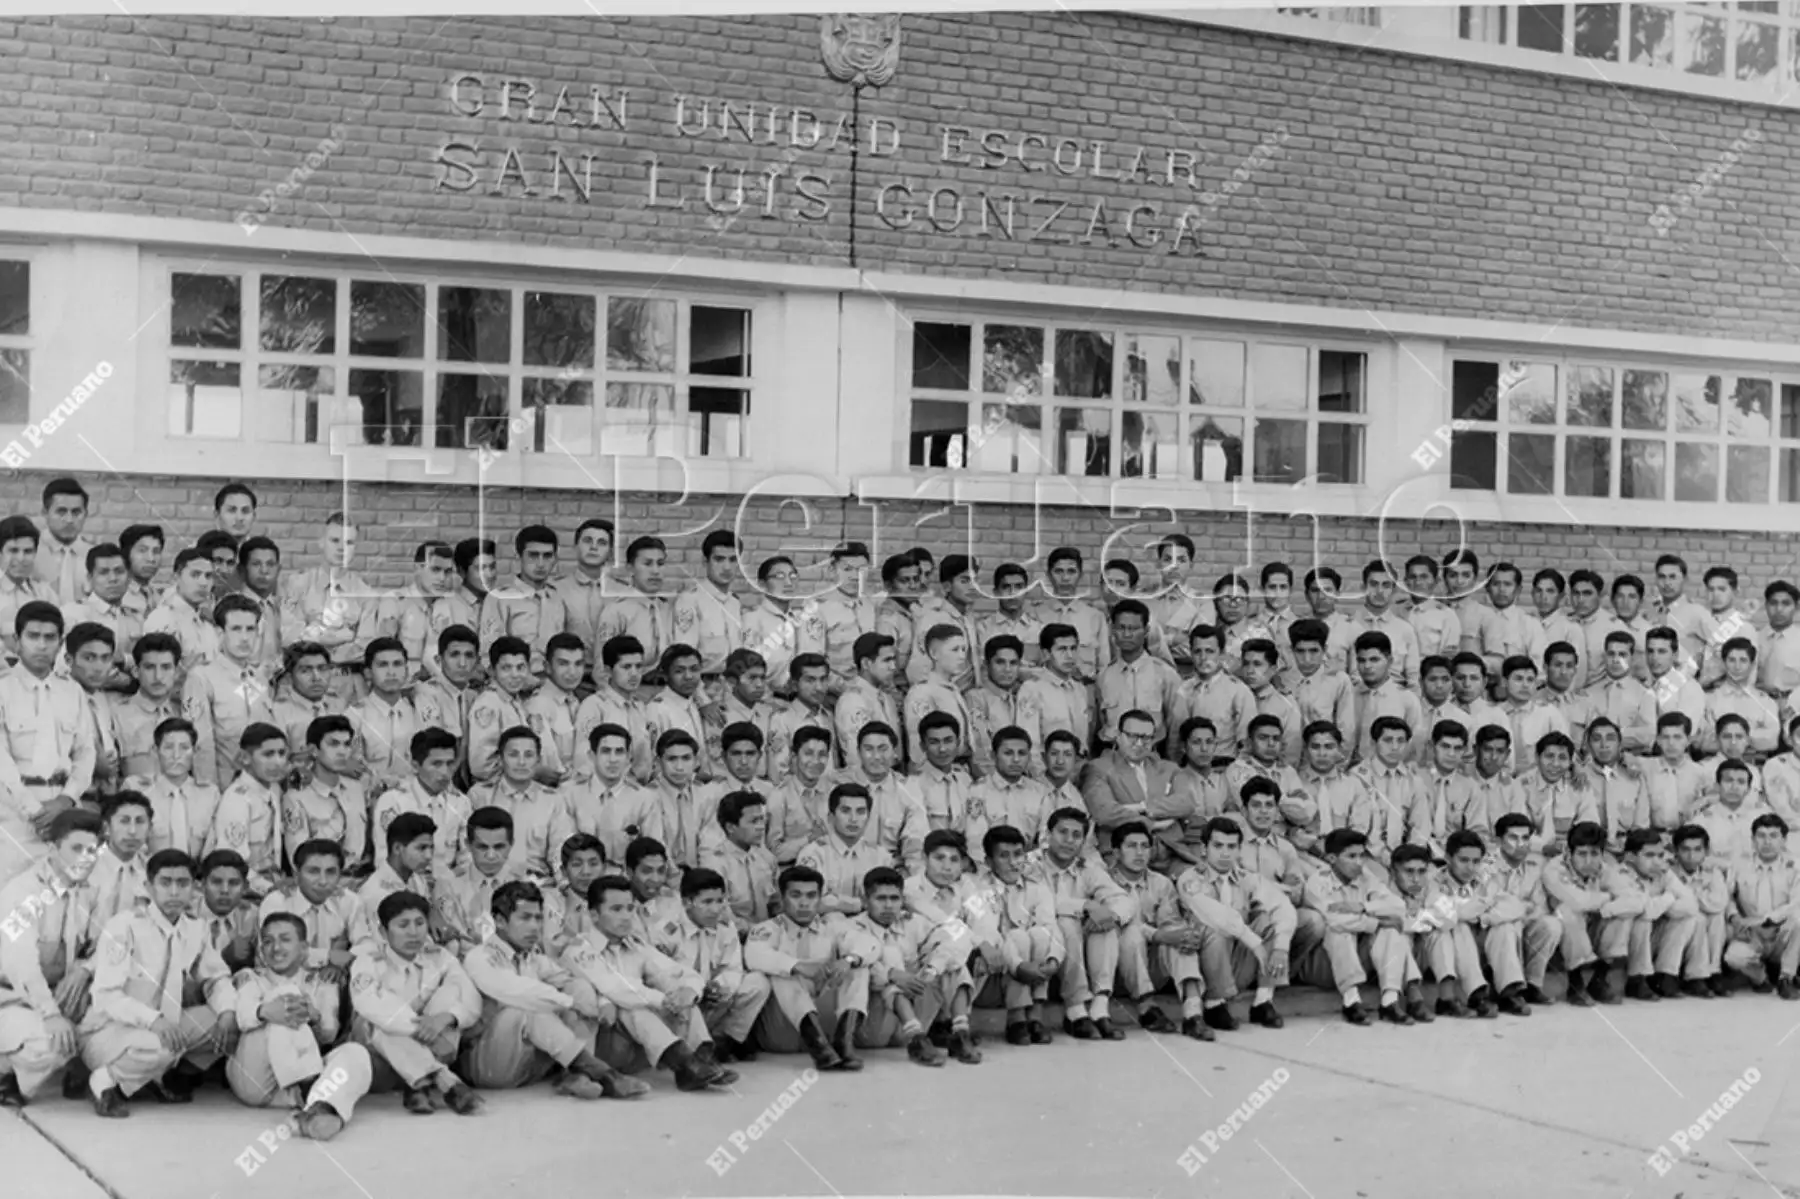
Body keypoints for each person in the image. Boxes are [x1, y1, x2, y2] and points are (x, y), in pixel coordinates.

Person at [80, 849, 239, 1117]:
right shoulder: (125, 926)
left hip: (164, 1026)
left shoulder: (194, 929)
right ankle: (103, 1081)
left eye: (183, 883)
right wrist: (154, 1020)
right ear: (148, 887)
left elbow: (216, 978)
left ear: (194, 888)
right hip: (107, 1033)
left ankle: (152, 1076)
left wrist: (227, 1011)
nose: (174, 892)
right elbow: (106, 996)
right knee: (160, 1046)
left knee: (226, 1021)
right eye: (165, 883)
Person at [459, 880, 646, 1100]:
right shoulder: (480, 957)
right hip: (488, 1066)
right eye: (525, 918)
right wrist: (568, 1002)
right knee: (526, 1010)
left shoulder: (535, 959)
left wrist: (602, 1001)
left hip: (527, 1064)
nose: (534, 927)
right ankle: (602, 1073)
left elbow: (571, 979)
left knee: (580, 987)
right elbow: (515, 990)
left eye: (538, 918)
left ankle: (576, 1076)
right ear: (500, 921)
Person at [563, 875, 735, 1089]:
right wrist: (665, 1001)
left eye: (629, 908)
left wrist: (689, 991)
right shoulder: (579, 950)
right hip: (600, 1045)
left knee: (680, 992)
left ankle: (701, 1059)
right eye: (616, 909)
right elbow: (619, 989)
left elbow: (676, 972)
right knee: (633, 1006)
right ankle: (685, 1063)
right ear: (594, 914)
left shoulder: (636, 945)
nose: (626, 917)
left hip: (638, 1043)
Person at [225, 911, 373, 1141]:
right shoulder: (250, 977)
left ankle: (319, 1110)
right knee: (287, 996)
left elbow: (328, 1034)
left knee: (356, 1053)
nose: (276, 948)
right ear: (261, 951)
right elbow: (243, 1017)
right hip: (256, 1081)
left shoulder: (322, 981)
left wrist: (314, 1017)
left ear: (304, 948)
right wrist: (265, 1011)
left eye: (285, 939)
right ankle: (310, 1089)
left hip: (289, 1091)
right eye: (267, 941)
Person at [0, 808, 102, 1106]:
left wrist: (84, 969)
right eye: (76, 849)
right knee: (51, 1043)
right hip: (11, 997)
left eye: (92, 850)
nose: (84, 858)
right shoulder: (21, 893)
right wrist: (52, 1015)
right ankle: (5, 1071)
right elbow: (22, 968)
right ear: (53, 849)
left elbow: (107, 945)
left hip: (58, 995)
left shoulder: (91, 892)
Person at [349, 891, 483, 1114]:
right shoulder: (368, 961)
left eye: (420, 923)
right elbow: (370, 1005)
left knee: (451, 990)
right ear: (383, 932)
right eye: (403, 925)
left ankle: (419, 1084)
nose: (413, 933)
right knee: (381, 1022)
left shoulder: (439, 956)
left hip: (436, 1046)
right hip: (381, 1063)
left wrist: (445, 1019)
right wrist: (424, 1029)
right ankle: (446, 1081)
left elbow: (470, 998)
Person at [742, 864, 875, 1070]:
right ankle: (817, 1045)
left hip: (827, 1024)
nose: (804, 903)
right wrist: (797, 965)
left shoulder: (832, 926)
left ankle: (844, 1043)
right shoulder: (767, 928)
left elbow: (871, 944)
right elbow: (754, 956)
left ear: (820, 898)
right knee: (782, 972)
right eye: (796, 895)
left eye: (811, 896)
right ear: (782, 897)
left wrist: (848, 960)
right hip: (782, 1032)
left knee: (859, 967)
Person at [0, 601, 97, 881]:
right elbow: (2, 761)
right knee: (13, 897)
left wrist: (66, 800)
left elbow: (84, 753)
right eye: (33, 636)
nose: (41, 645)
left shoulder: (72, 692)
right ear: (17, 641)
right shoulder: (4, 690)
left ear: (60, 643)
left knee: (63, 893)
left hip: (64, 807)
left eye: (50, 638)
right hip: (15, 815)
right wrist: (35, 812)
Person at [848, 866, 980, 1066]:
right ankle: (915, 1039)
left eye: (894, 899)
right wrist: (893, 975)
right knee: (890, 959)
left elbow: (953, 940)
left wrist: (932, 968)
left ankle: (960, 1034)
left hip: (916, 1019)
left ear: (903, 900)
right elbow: (859, 967)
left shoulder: (913, 923)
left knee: (953, 963)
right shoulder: (851, 927)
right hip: (875, 1026)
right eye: (880, 899)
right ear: (866, 901)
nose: (888, 906)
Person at [1175, 816, 1292, 1031]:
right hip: (1204, 968)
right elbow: (1217, 916)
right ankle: (1214, 1003)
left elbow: (1283, 907)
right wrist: (1254, 942)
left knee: (1268, 921)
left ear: (1239, 850)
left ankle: (1263, 1000)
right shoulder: (1190, 879)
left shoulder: (1248, 878)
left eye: (1231, 847)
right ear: (1204, 849)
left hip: (1237, 963)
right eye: (1218, 846)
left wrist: (1281, 948)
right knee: (1213, 930)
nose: (1225, 853)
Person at [1026, 806, 1130, 1040]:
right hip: (1040, 941)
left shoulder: (1087, 867)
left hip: (1076, 950)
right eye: (1062, 832)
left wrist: (1109, 915)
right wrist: (1084, 905)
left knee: (1105, 924)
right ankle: (1075, 1009)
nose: (1069, 841)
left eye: (1076, 835)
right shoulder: (1030, 864)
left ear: (1083, 841)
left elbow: (1122, 899)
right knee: (1067, 922)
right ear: (1047, 834)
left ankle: (1099, 1008)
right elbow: (1039, 903)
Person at [652, 867, 772, 1064]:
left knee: (757, 983)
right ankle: (690, 1050)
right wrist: (697, 990)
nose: (716, 909)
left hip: (713, 1002)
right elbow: (661, 978)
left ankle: (724, 1042)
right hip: (683, 1007)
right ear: (687, 902)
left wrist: (720, 987)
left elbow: (733, 968)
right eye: (707, 902)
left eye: (719, 901)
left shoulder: (725, 926)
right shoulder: (666, 931)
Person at [1300, 828, 1419, 1026]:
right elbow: (1335, 921)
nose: (1359, 862)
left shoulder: (1365, 877)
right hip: (1323, 964)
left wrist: (1363, 906)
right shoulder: (1317, 883)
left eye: (1361, 855)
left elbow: (1398, 906)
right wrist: (1376, 922)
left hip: (1358, 958)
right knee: (1340, 931)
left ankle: (1390, 1000)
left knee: (1391, 931)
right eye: (1351, 856)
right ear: (1331, 858)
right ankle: (1351, 1001)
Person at [1107, 821, 1208, 1039]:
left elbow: (1169, 924)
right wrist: (1157, 934)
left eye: (1145, 846)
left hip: (1151, 967)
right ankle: (1146, 1006)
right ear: (1116, 852)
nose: (1140, 853)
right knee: (1132, 935)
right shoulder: (1104, 882)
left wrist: (1179, 934)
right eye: (1131, 846)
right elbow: (1119, 925)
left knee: (1180, 938)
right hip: (1114, 970)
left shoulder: (1161, 883)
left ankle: (1193, 1014)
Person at [1544, 821, 1646, 1006]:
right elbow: (1577, 901)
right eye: (1582, 854)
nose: (1589, 861)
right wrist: (1608, 897)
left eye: (1594, 854)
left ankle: (1599, 979)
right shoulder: (1554, 869)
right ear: (1568, 852)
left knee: (1623, 915)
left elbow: (1636, 901)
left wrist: (1608, 909)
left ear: (1603, 854)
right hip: (1558, 934)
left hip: (1592, 925)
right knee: (1568, 912)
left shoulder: (1605, 869)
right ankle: (1576, 982)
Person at [1438, 829, 1531, 1016]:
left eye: (1476, 861)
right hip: (1447, 949)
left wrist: (1484, 917)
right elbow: (1454, 914)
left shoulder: (1484, 878)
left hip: (1481, 940)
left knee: (1504, 926)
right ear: (1448, 858)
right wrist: (1484, 903)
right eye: (1463, 860)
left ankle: (1508, 991)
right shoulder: (1435, 880)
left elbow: (1515, 907)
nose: (1470, 867)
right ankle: (1476, 993)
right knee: (1459, 926)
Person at [466, 727, 565, 882]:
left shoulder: (552, 800)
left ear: (538, 760)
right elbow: (468, 849)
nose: (521, 762)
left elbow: (559, 850)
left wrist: (562, 882)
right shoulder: (480, 796)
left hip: (538, 884)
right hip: (490, 882)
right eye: (513, 755)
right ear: (500, 759)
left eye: (529, 755)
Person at [370, 729, 470, 881]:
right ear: (416, 766)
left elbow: (468, 855)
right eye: (436, 764)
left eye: (450, 764)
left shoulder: (460, 802)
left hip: (450, 887)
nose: (445, 772)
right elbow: (385, 862)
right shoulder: (394, 802)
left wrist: (449, 881)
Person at [1484, 813, 1561, 1006]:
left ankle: (1533, 985)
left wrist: (1516, 911)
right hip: (1488, 934)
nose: (1521, 844)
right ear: (1498, 841)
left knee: (1551, 925)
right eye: (1513, 837)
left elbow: (1539, 908)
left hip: (1518, 928)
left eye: (1525, 838)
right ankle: (1509, 990)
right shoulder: (1485, 867)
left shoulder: (1533, 867)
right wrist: (1520, 909)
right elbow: (1489, 912)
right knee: (1507, 926)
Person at [205, 723, 290, 896]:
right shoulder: (237, 800)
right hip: (244, 891)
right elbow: (233, 863)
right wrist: (268, 889)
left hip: (273, 881)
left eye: (282, 754)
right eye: (268, 754)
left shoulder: (273, 789)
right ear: (245, 758)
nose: (277, 762)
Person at [347, 638, 440, 795]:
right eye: (383, 665)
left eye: (397, 664)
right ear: (368, 672)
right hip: (371, 800)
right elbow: (353, 769)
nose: (391, 672)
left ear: (406, 670)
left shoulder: (419, 710)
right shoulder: (354, 716)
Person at [259, 841, 362, 981]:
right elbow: (272, 953)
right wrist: (329, 957)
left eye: (331, 872)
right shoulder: (277, 902)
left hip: (333, 981)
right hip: (284, 981)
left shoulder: (349, 901)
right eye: (313, 871)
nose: (323, 881)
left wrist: (341, 964)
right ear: (296, 875)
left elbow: (367, 945)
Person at [1724, 813, 1800, 996]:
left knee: (1799, 919)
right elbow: (1726, 897)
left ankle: (1786, 978)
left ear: (1784, 840)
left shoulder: (1796, 866)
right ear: (1752, 840)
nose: (1767, 842)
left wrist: (1767, 921)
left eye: (1774, 836)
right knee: (1733, 958)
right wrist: (1734, 917)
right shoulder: (1739, 865)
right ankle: (1761, 979)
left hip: (1783, 931)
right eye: (1761, 836)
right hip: (1751, 933)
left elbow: (1797, 902)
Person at [1618, 828, 1698, 1001]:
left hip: (1650, 940)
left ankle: (1665, 974)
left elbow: (1691, 904)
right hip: (1621, 945)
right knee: (1642, 920)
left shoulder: (1663, 872)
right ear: (1631, 857)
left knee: (1688, 917)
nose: (1656, 861)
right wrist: (1669, 897)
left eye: (1660, 855)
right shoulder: (1621, 876)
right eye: (1649, 855)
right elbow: (1646, 911)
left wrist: (1662, 905)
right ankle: (1637, 978)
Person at [433, 808, 524, 957]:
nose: (490, 855)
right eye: (482, 847)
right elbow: (455, 941)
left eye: (499, 847)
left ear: (511, 844)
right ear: (468, 844)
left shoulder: (522, 882)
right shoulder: (448, 884)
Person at [283, 716, 369, 872]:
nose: (342, 752)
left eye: (347, 744)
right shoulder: (297, 796)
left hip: (358, 878)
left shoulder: (355, 788)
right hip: (320, 881)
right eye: (334, 744)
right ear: (314, 750)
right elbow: (298, 860)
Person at [480, 526, 567, 677]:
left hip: (554, 684)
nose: (540, 563)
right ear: (518, 556)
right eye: (533, 555)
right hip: (513, 683)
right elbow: (489, 652)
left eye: (547, 556)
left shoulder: (558, 598)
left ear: (555, 559)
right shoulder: (500, 598)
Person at [796, 784, 889, 918]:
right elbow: (807, 902)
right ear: (830, 817)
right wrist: (859, 904)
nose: (853, 819)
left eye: (861, 811)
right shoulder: (813, 854)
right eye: (845, 811)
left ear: (868, 818)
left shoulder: (880, 856)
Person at [1015, 624, 1094, 777]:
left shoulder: (1079, 689)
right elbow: (1030, 743)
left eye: (1073, 648)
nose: (1070, 656)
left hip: (1079, 771)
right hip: (1049, 773)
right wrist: (1041, 779)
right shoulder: (1033, 689)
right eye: (1062, 649)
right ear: (1046, 654)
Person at [1670, 824, 1733, 997]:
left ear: (1706, 851)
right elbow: (1674, 907)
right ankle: (1694, 977)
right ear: (1675, 851)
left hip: (1702, 923)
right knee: (1697, 917)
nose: (1691, 856)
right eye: (1685, 850)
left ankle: (1713, 972)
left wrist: (1692, 896)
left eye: (1698, 849)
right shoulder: (1668, 872)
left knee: (1717, 916)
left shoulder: (1712, 872)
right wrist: (1701, 896)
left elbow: (1718, 903)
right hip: (1675, 930)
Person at [672, 530, 745, 680]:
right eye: (719, 559)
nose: (727, 567)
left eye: (733, 560)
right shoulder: (690, 601)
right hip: (703, 684)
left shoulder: (734, 603)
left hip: (732, 685)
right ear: (706, 562)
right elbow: (685, 657)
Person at [594, 536, 674, 671]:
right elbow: (602, 667)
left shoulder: (668, 609)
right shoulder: (617, 611)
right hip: (631, 689)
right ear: (630, 568)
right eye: (647, 564)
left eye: (660, 564)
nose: (655, 571)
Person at [358, 812, 436, 948]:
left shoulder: (417, 879)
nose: (429, 856)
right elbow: (380, 946)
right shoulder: (374, 894)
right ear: (397, 848)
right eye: (421, 848)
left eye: (431, 848)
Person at [703, 790, 779, 929]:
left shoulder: (766, 858)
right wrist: (755, 932)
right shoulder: (715, 864)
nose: (761, 827)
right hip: (734, 940)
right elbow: (720, 915)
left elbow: (775, 903)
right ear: (731, 827)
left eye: (762, 819)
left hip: (768, 935)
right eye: (754, 821)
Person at [113, 634, 183, 783]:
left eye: (166, 667)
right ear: (136, 672)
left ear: (176, 673)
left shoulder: (185, 714)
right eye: (149, 667)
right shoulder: (117, 715)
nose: (158, 676)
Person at [466, 638, 536, 784]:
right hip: (495, 791)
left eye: (520, 667)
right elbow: (481, 766)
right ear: (492, 671)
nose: (515, 674)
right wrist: (531, 771)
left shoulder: (515, 701)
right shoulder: (488, 705)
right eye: (506, 668)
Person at [88, 791, 152, 930]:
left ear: (149, 829)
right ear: (106, 828)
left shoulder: (152, 871)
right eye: (124, 821)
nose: (133, 831)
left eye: (140, 822)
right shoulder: (86, 868)